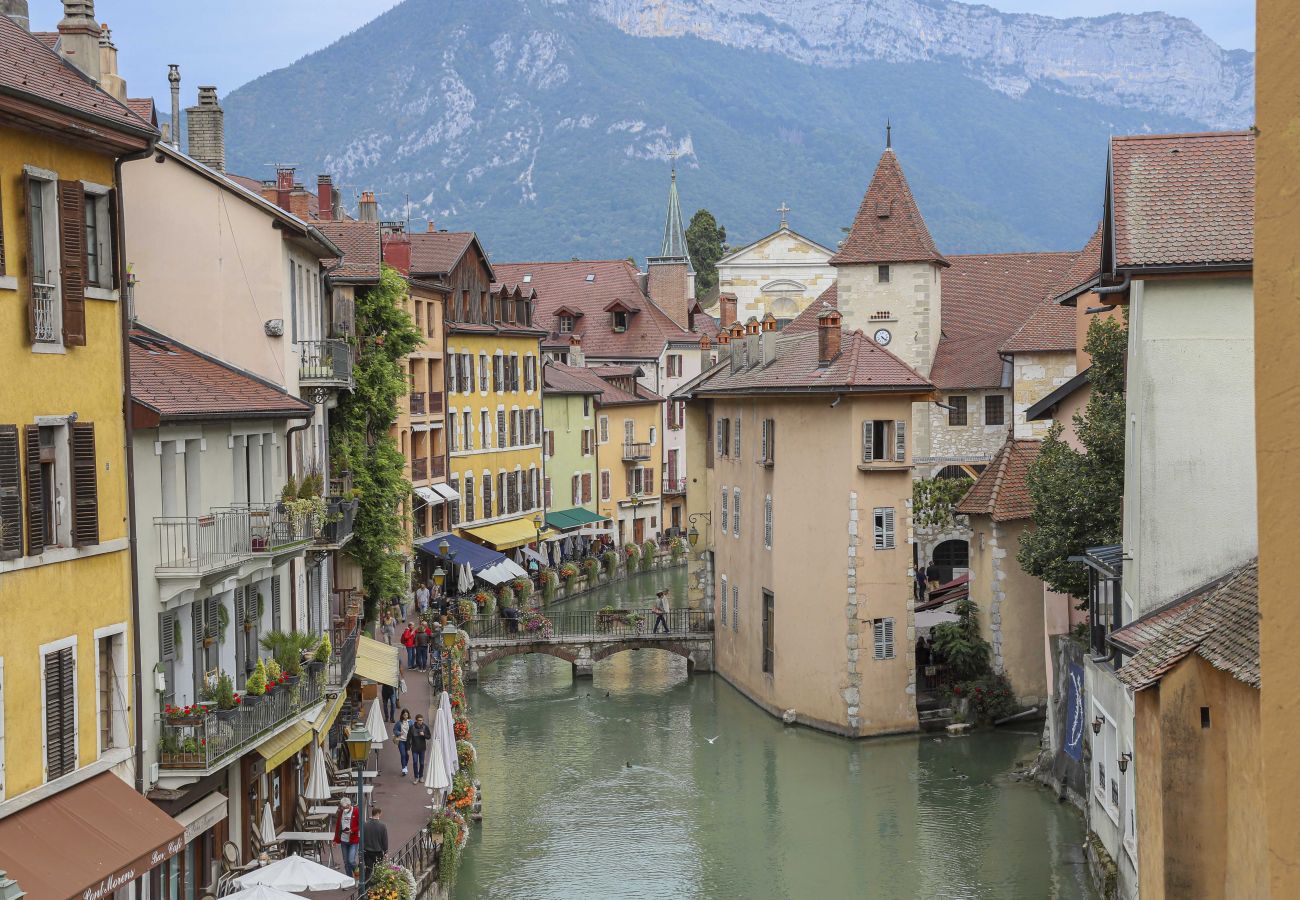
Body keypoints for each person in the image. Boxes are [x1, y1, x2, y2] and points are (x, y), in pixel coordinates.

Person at [333, 794, 361, 877]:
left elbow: (361, 825)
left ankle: (358, 875)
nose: (343, 809)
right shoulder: (341, 812)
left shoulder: (356, 811)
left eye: (345, 808)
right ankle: (349, 879)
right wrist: (335, 839)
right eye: (342, 807)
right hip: (344, 840)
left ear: (349, 805)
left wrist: (352, 830)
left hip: (353, 840)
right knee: (346, 862)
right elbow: (338, 825)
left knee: (351, 860)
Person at [363, 806, 389, 877]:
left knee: (368, 870)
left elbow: (362, 838)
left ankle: (366, 886)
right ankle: (376, 886)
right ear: (378, 813)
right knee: (378, 871)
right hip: (378, 851)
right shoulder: (382, 826)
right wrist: (386, 851)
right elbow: (384, 840)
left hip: (367, 851)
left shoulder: (365, 825)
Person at [409, 713, 432, 782]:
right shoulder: (412, 728)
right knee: (415, 762)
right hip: (414, 748)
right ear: (416, 720)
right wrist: (408, 748)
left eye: (421, 720)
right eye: (419, 720)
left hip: (422, 748)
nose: (420, 721)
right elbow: (409, 738)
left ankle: (421, 776)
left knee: (422, 763)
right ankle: (416, 777)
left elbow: (429, 737)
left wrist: (424, 734)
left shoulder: (425, 727)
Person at [394, 708, 412, 776]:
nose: (405, 716)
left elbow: (413, 730)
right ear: (402, 715)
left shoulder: (411, 722)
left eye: (406, 715)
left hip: (408, 742)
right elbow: (395, 730)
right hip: (401, 741)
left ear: (408, 715)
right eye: (404, 715)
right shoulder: (399, 723)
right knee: (403, 754)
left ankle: (405, 765)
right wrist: (399, 733)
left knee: (407, 755)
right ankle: (404, 768)